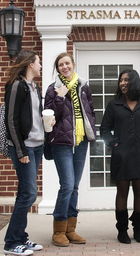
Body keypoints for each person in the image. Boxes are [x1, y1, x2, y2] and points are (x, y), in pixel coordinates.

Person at [100, 69, 140, 244]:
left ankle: (139, 230)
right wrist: (113, 143)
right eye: (121, 80)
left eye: (126, 80)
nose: (122, 83)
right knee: (122, 192)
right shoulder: (114, 104)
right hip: (121, 156)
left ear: (134, 82)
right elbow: (104, 129)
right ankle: (122, 231)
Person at [44, 52, 97, 247]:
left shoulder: (84, 87)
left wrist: (92, 129)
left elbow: (90, 110)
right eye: (60, 65)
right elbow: (49, 117)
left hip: (81, 141)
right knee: (66, 185)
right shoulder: (53, 89)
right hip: (61, 142)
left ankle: (70, 229)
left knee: (74, 185)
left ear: (73, 64)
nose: (64, 67)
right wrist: (60, 97)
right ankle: (58, 230)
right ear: (57, 69)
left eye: (67, 63)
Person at [3, 50, 45, 256]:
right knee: (29, 194)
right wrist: (20, 150)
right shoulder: (16, 85)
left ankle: (21, 237)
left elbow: (35, 117)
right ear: (30, 64)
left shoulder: (34, 88)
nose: (40, 66)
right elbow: (11, 120)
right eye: (38, 62)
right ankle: (11, 242)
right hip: (24, 146)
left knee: (24, 193)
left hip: (37, 146)